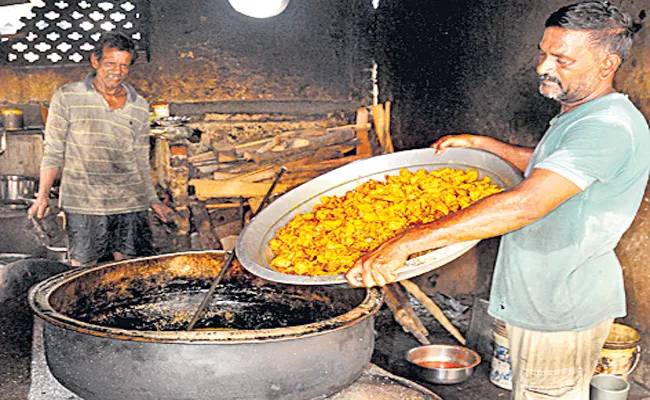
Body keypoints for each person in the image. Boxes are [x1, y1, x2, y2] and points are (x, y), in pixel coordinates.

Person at [345, 1, 648, 398]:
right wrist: (484, 145)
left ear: (606, 64)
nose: (542, 66)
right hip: (542, 295)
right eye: (543, 51)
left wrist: (405, 243)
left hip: (560, 305)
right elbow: (549, 169)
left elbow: (527, 203)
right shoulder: (582, 116)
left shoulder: (605, 126)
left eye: (562, 58)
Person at [28, 32, 174, 267]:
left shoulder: (139, 105)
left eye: (124, 66)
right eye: (110, 63)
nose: (117, 71)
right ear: (95, 61)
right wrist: (42, 196)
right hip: (84, 202)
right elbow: (54, 149)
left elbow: (139, 159)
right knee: (85, 268)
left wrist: (151, 199)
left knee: (128, 269)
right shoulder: (67, 96)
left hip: (129, 201)